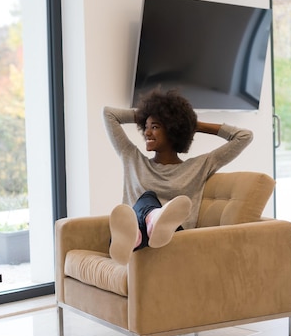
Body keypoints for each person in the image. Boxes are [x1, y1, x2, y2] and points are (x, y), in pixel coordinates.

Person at [102, 88, 253, 262]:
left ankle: (149, 227)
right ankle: (144, 228)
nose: (147, 133)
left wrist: (192, 124)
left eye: (155, 127)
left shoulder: (199, 166)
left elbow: (244, 136)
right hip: (133, 241)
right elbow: (109, 114)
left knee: (147, 198)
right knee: (146, 199)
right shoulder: (132, 158)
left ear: (173, 130)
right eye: (146, 127)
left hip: (175, 238)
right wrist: (149, 115)